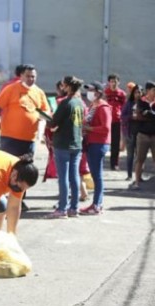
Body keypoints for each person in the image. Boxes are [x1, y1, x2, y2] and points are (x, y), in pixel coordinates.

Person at [0, 64, 49, 211]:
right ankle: (0, 201)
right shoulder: (11, 89)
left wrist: (45, 125)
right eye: (28, 76)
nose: (31, 79)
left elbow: (46, 111)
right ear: (21, 76)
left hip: (29, 139)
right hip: (9, 137)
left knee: (25, 170)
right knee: (7, 169)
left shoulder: (39, 92)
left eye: (33, 76)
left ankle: (19, 201)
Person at [45, 76, 85, 219]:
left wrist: (47, 118)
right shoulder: (80, 102)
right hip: (76, 144)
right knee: (74, 176)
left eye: (63, 85)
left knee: (63, 177)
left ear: (67, 86)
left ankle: (62, 208)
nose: (62, 87)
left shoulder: (65, 103)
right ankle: (74, 208)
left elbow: (53, 123)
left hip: (62, 144)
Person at [81, 82, 112, 214]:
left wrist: (89, 128)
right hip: (92, 143)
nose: (89, 93)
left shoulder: (103, 107)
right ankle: (96, 204)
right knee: (95, 175)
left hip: (98, 144)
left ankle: (96, 205)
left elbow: (106, 128)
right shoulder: (93, 105)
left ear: (99, 92)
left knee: (97, 175)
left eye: (92, 90)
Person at [131, 81, 155, 190]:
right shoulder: (141, 102)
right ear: (148, 91)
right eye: (153, 90)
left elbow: (147, 114)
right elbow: (139, 115)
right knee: (140, 159)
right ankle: (136, 182)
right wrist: (148, 114)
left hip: (154, 135)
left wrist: (149, 114)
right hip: (142, 135)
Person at [121, 85, 143, 181]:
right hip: (130, 133)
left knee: (140, 156)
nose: (138, 94)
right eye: (136, 92)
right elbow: (122, 116)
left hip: (141, 134)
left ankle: (139, 176)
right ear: (133, 93)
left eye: (140, 92)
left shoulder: (144, 104)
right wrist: (131, 117)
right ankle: (129, 174)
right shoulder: (128, 104)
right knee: (130, 155)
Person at [104, 74, 126, 170]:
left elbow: (124, 107)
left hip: (117, 121)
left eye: (115, 82)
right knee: (104, 142)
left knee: (115, 143)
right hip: (106, 120)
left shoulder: (122, 94)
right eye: (112, 81)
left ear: (118, 82)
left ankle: (114, 164)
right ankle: (103, 163)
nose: (113, 83)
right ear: (109, 82)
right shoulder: (105, 93)